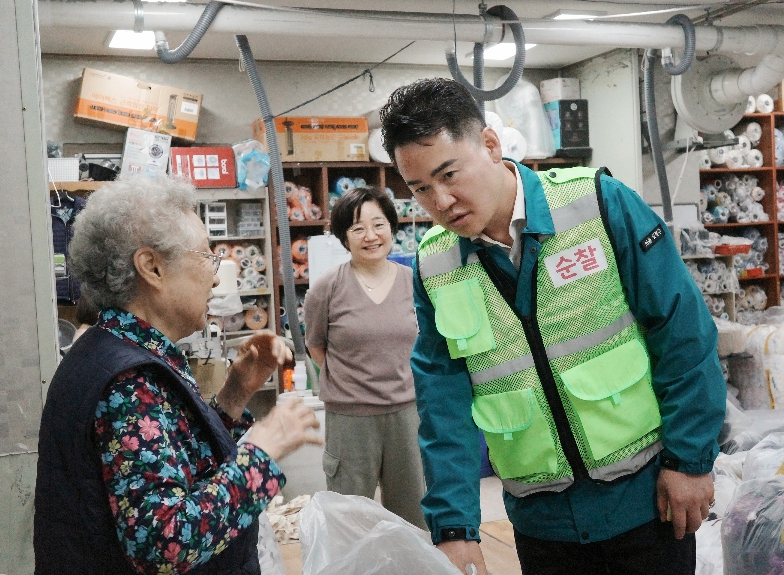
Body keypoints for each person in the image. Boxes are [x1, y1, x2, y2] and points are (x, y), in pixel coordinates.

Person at [379, 78, 726, 575]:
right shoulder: (435, 265)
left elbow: (681, 331)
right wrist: (455, 527)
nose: (441, 201)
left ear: (491, 145)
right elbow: (443, 402)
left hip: (647, 500)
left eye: (449, 174)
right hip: (542, 525)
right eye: (420, 189)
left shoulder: (598, 205)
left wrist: (690, 458)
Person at [34, 174, 322, 575]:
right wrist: (263, 450)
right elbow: (166, 544)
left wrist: (235, 395)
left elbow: (179, 465)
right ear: (151, 267)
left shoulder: (117, 351)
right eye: (206, 256)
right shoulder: (126, 385)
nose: (217, 275)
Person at [303, 186, 427, 529]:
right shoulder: (326, 288)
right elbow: (316, 346)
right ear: (345, 237)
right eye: (358, 228)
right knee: (349, 519)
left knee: (413, 515)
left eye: (378, 224)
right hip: (350, 417)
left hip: (408, 413)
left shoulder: (415, 282)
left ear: (392, 227)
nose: (370, 236)